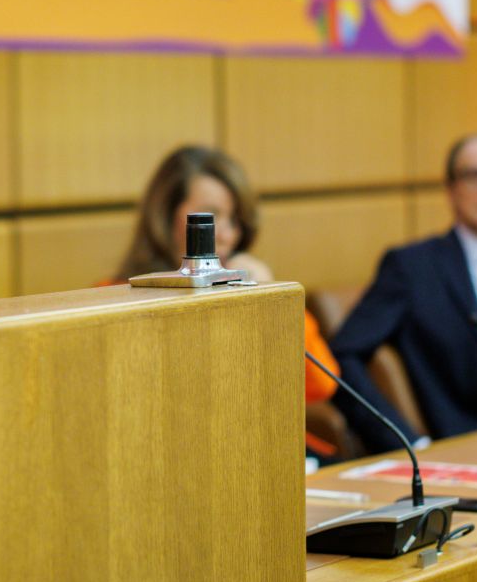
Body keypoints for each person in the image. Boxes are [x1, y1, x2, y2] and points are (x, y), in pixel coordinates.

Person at [330, 132, 477, 454]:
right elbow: (339, 358)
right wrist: (407, 443)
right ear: (450, 189)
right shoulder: (413, 269)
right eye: (476, 176)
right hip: (473, 452)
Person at [112, 146, 341, 450]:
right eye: (213, 216)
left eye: (235, 220)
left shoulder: (244, 292)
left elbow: (322, 385)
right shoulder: (115, 298)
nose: (227, 235)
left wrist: (273, 299)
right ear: (164, 217)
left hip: (264, 450)